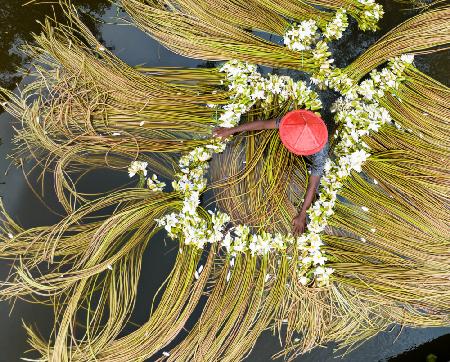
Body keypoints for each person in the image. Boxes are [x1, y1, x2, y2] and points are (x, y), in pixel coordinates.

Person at [213, 110, 329, 236]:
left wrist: (302, 215)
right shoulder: (293, 122)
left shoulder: (320, 153)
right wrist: (231, 130)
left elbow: (313, 185)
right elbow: (263, 124)